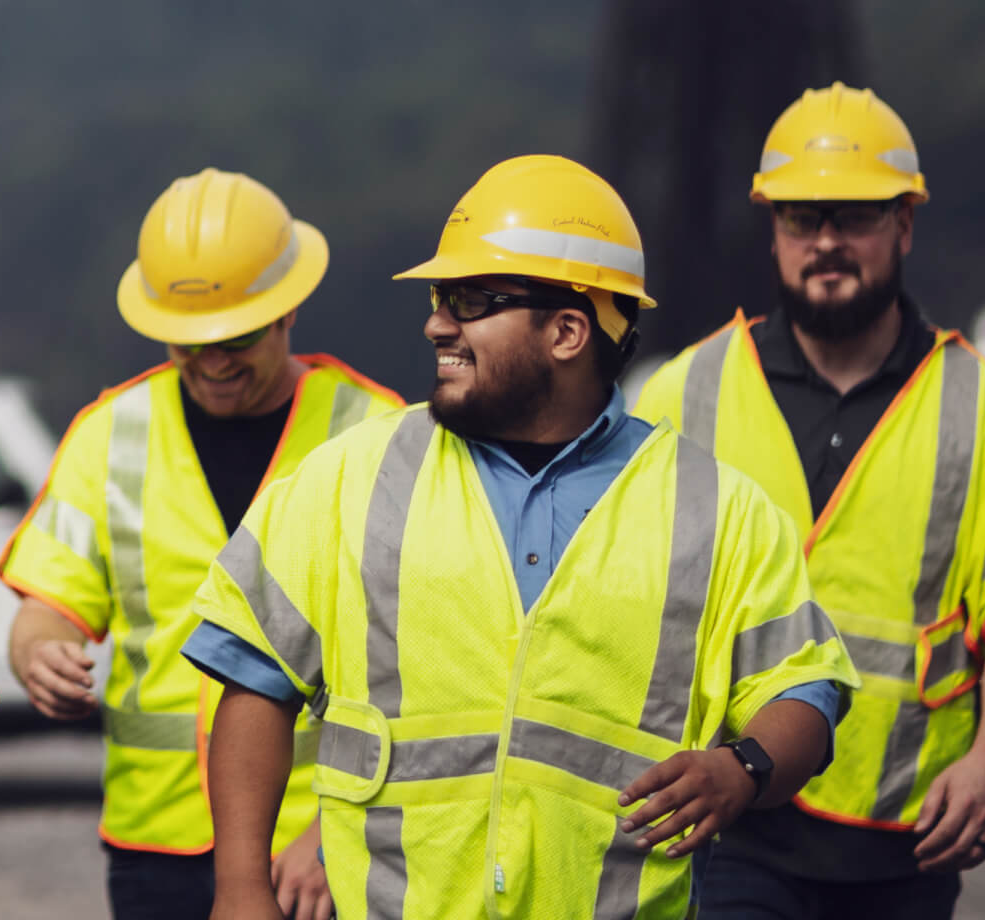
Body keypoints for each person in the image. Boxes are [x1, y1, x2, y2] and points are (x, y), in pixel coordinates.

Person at [180, 155, 860, 919]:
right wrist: (240, 889)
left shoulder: (716, 508)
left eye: (472, 301)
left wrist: (743, 768)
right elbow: (254, 678)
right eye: (442, 298)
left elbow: (805, 687)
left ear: (568, 330)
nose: (438, 322)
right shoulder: (349, 479)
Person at [633, 83, 985, 920]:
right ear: (773, 232)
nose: (825, 242)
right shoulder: (683, 395)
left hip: (906, 837)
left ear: (904, 226)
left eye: (852, 217)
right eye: (801, 219)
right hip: (730, 822)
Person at [0, 168, 400, 920]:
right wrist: (38, 653)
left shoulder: (378, 436)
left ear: (288, 310)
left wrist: (336, 826)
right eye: (188, 340)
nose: (213, 360)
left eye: (236, 337)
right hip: (161, 846)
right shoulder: (108, 435)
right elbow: (47, 605)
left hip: (321, 842)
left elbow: (428, 663)